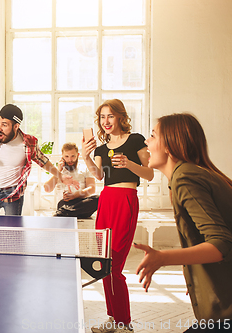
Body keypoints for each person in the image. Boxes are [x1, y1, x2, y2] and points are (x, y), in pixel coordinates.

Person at [135, 113, 232, 331]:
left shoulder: (184, 177)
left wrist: (162, 257)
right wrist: (191, 268)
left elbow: (221, 243)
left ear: (169, 145)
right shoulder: (192, 173)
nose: (146, 142)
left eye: (152, 136)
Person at [82, 99, 154, 333]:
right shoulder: (102, 149)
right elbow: (99, 177)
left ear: (121, 117)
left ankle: (125, 323)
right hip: (106, 202)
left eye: (110, 116)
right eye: (102, 117)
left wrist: (129, 163)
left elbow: (150, 173)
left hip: (125, 201)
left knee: (115, 267)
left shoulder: (136, 140)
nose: (106, 122)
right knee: (104, 264)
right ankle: (113, 318)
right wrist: (86, 157)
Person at [43, 142, 99, 219]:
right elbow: (47, 189)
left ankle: (63, 213)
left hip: (81, 203)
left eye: (73, 156)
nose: (70, 160)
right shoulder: (57, 171)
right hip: (64, 204)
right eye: (66, 156)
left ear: (78, 155)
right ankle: (65, 212)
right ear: (62, 156)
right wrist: (59, 172)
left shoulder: (85, 168)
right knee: (63, 205)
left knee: (98, 199)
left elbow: (92, 189)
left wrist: (74, 195)